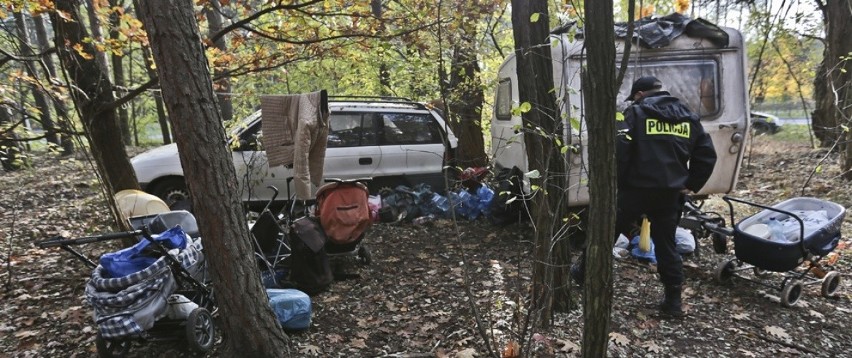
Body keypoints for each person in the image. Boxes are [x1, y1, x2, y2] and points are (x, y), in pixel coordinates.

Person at [571, 76, 717, 318]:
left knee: (605, 235)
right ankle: (673, 303)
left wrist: (617, 183)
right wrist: (691, 183)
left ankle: (582, 274)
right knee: (667, 246)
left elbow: (620, 151)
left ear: (639, 94)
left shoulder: (635, 114)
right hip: (669, 194)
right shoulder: (687, 117)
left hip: (634, 191)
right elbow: (706, 154)